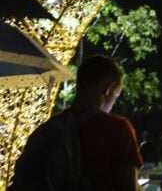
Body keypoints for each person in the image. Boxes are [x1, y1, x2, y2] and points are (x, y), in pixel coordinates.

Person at [13, 55, 143, 191]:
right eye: (115, 97)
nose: (112, 106)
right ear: (108, 88)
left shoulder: (47, 128)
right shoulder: (117, 128)